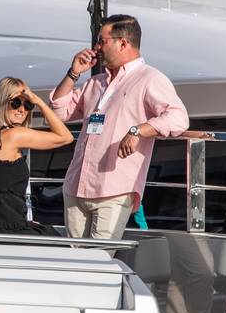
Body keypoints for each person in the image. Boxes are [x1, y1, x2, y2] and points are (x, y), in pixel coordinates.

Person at [50, 14, 189, 239]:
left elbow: (178, 118)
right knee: (74, 263)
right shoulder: (96, 82)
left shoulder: (149, 78)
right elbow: (58, 113)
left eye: (102, 41)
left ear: (122, 43)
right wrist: (73, 73)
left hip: (113, 190)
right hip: (76, 186)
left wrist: (138, 130)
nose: (96, 47)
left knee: (101, 263)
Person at [0, 78, 74, 235]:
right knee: (58, 243)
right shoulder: (15, 135)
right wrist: (39, 101)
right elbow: (65, 137)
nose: (22, 109)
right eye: (16, 102)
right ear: (2, 102)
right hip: (5, 224)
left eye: (28, 104)